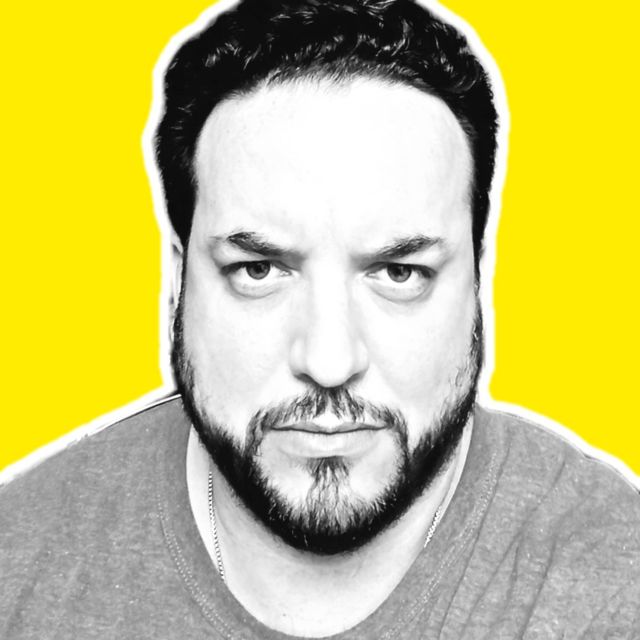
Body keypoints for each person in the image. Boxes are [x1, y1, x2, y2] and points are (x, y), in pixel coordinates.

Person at [1, 0, 639, 637]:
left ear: (478, 279)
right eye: (258, 270)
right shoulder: (17, 564)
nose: (329, 363)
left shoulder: (615, 585)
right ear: (176, 281)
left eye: (399, 272)